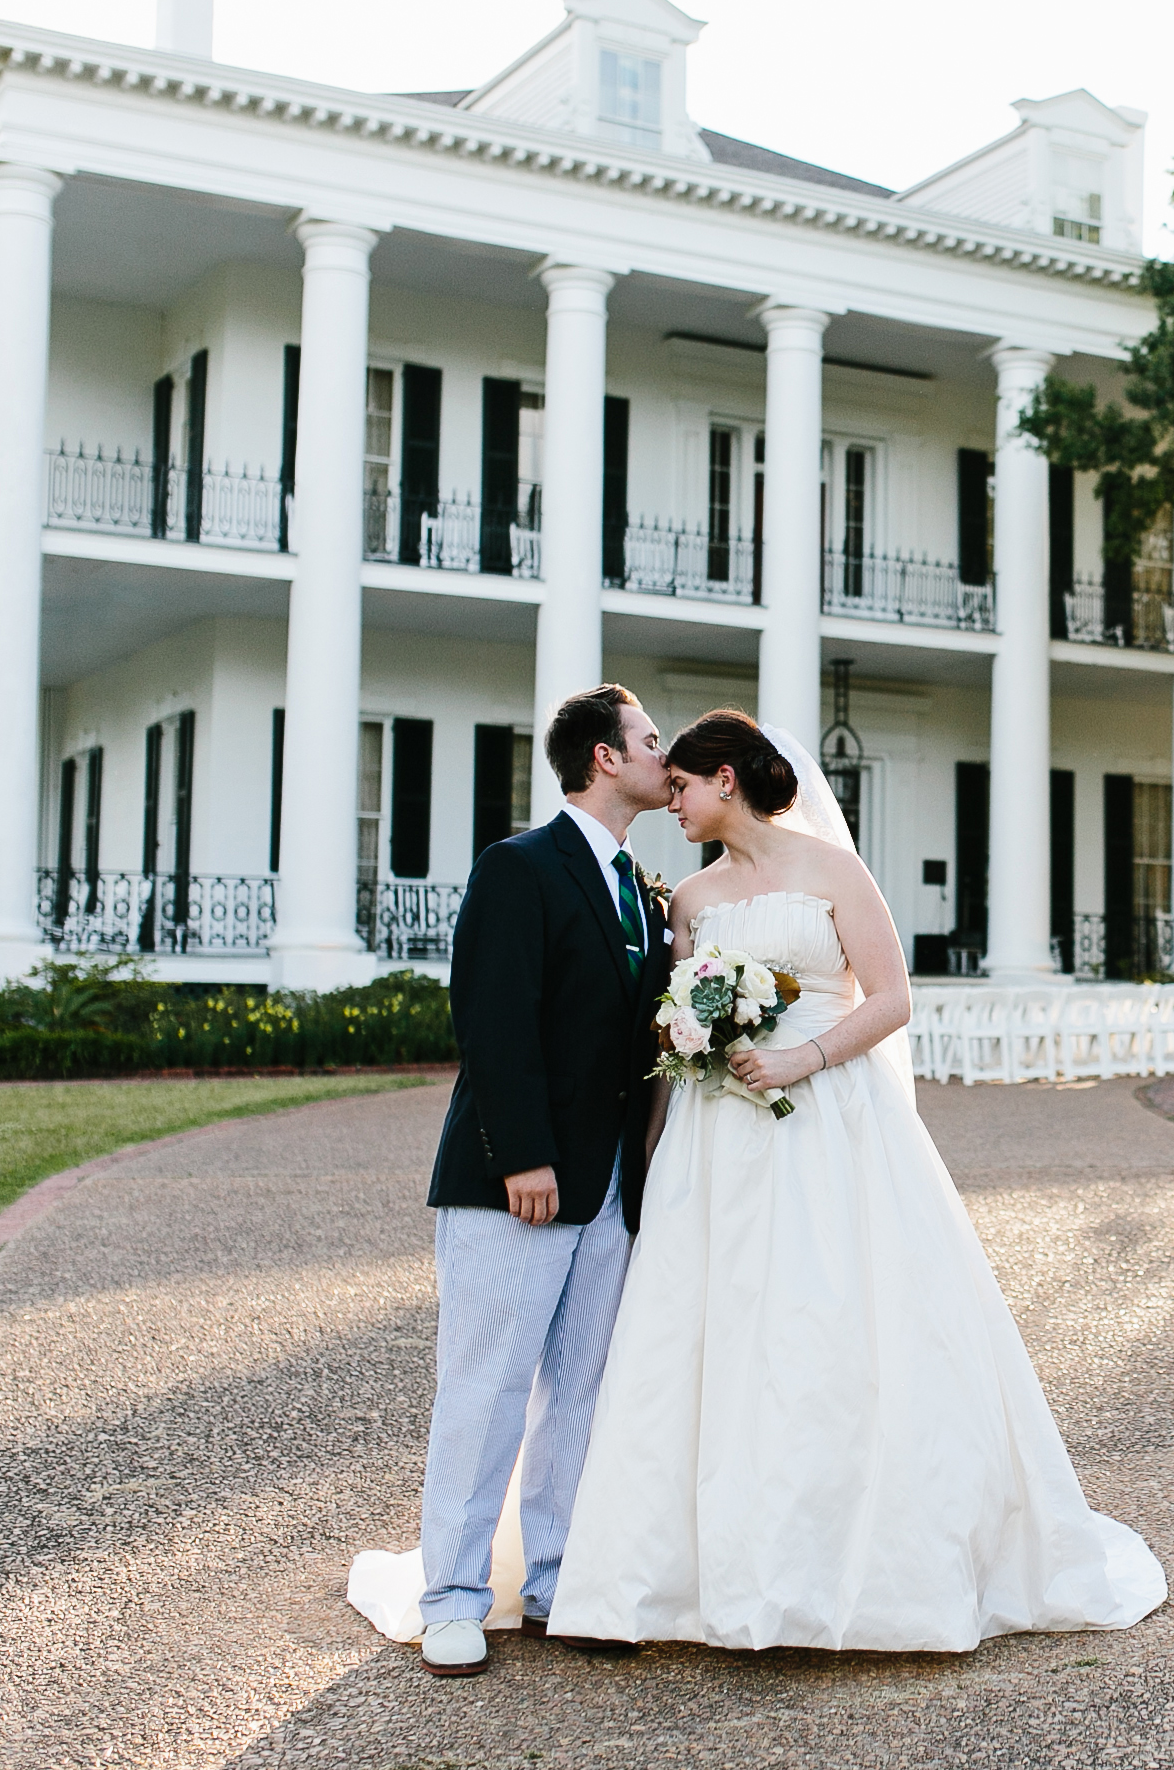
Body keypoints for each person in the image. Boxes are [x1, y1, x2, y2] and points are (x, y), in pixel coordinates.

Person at [544, 710, 1166, 1651]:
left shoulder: (835, 871)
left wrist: (806, 1060)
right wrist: (656, 1149)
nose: (671, 802)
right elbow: (676, 1029)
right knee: (709, 1335)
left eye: (680, 787)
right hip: (718, 1141)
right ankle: (679, 1572)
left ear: (724, 779)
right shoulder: (691, 902)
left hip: (832, 1123)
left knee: (830, 1327)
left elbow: (892, 997)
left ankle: (843, 1568)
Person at [346, 684, 677, 1676]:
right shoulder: (519, 868)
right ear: (605, 759)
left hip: (611, 1193)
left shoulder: (641, 890)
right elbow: (492, 1019)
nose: (669, 757)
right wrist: (522, 1154)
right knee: (484, 1391)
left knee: (582, 1396)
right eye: (653, 741)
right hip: (515, 1184)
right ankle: (451, 1594)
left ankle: (558, 1581)